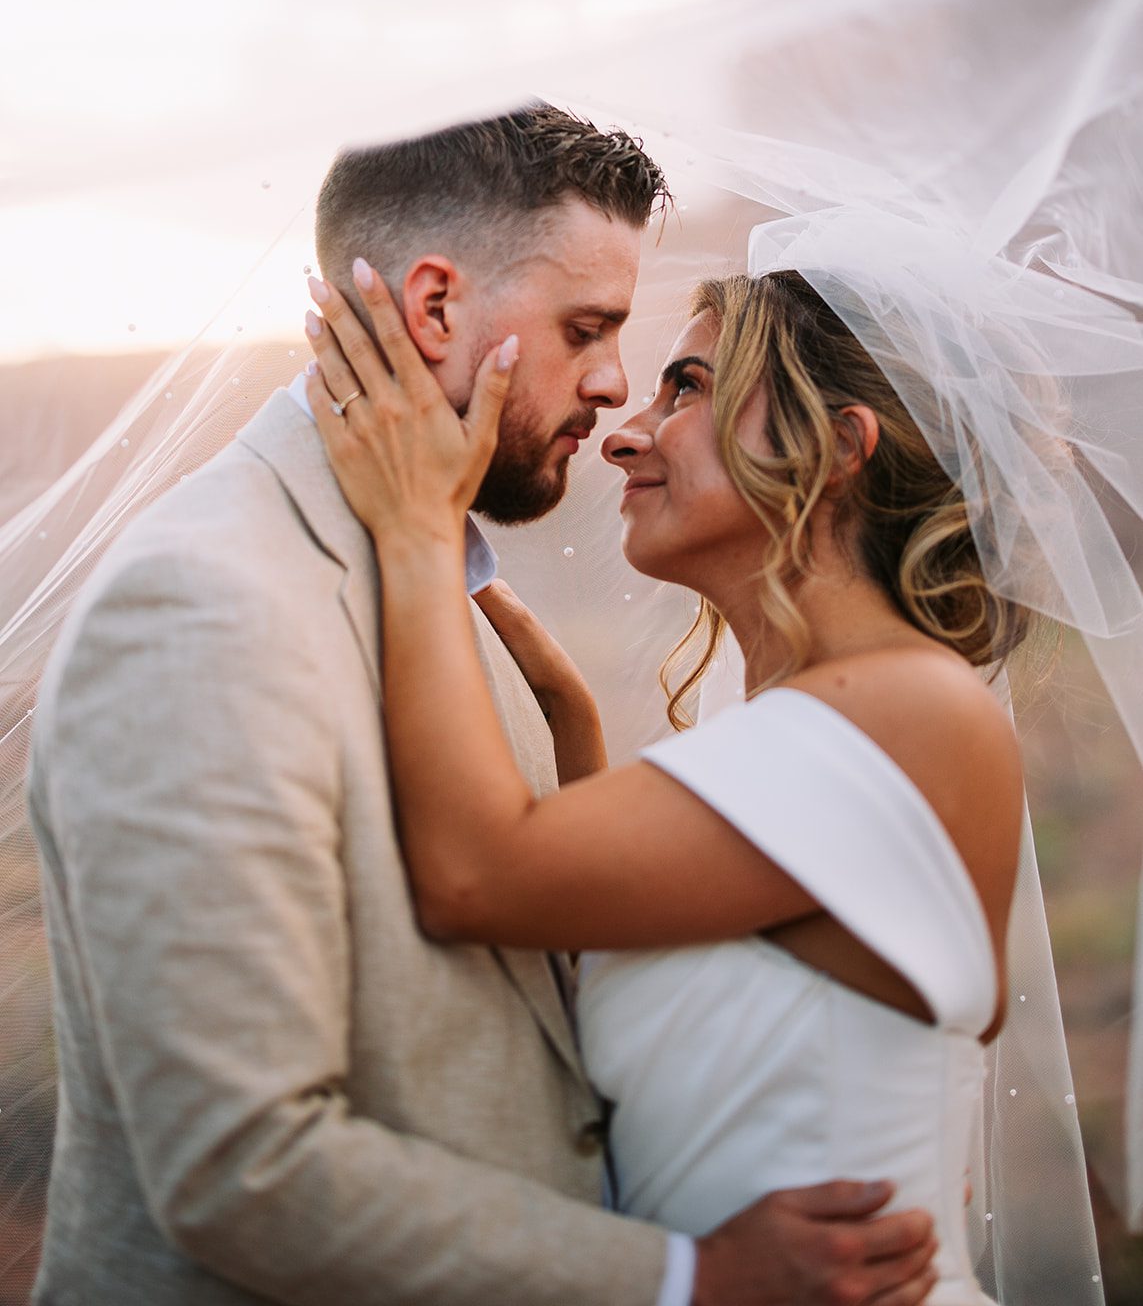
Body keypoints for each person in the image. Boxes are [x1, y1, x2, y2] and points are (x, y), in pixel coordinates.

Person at [25, 105, 938, 1306]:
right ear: (439, 308)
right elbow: (241, 1164)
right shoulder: (210, 603)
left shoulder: (444, 593)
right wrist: (689, 1277)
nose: (614, 386)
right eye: (587, 328)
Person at [302, 255, 1031, 1305]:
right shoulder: (827, 721)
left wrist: (418, 524)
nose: (627, 431)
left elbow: (469, 876)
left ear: (835, 449)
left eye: (687, 387)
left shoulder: (913, 709)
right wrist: (577, 734)